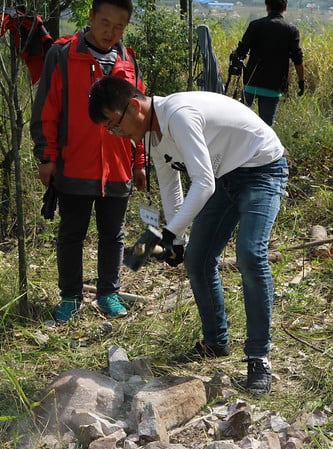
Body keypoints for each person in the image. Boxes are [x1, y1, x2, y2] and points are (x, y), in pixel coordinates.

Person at [88, 76, 289, 395]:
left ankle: (258, 358)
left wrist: (168, 235)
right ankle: (215, 342)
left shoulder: (178, 115)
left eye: (114, 124)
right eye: (110, 130)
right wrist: (177, 243)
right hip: (225, 178)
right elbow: (171, 187)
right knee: (196, 259)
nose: (117, 133)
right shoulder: (152, 137)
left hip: (262, 167)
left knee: (250, 254)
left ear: (133, 107)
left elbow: (203, 184)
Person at [30, 0, 146, 322]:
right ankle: (70, 297)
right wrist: (46, 156)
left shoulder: (127, 59)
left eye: (119, 26)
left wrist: (138, 160)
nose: (111, 32)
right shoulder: (63, 54)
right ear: (91, 16)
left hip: (118, 166)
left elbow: (139, 114)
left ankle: (109, 293)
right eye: (105, 22)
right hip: (74, 164)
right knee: (71, 234)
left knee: (114, 234)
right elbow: (47, 110)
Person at [232, 0, 304, 126]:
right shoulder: (291, 30)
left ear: (267, 7)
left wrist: (235, 54)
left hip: (251, 81)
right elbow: (297, 59)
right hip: (273, 85)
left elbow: (242, 51)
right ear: (285, 8)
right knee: (265, 126)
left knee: (241, 123)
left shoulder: (255, 25)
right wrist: (301, 81)